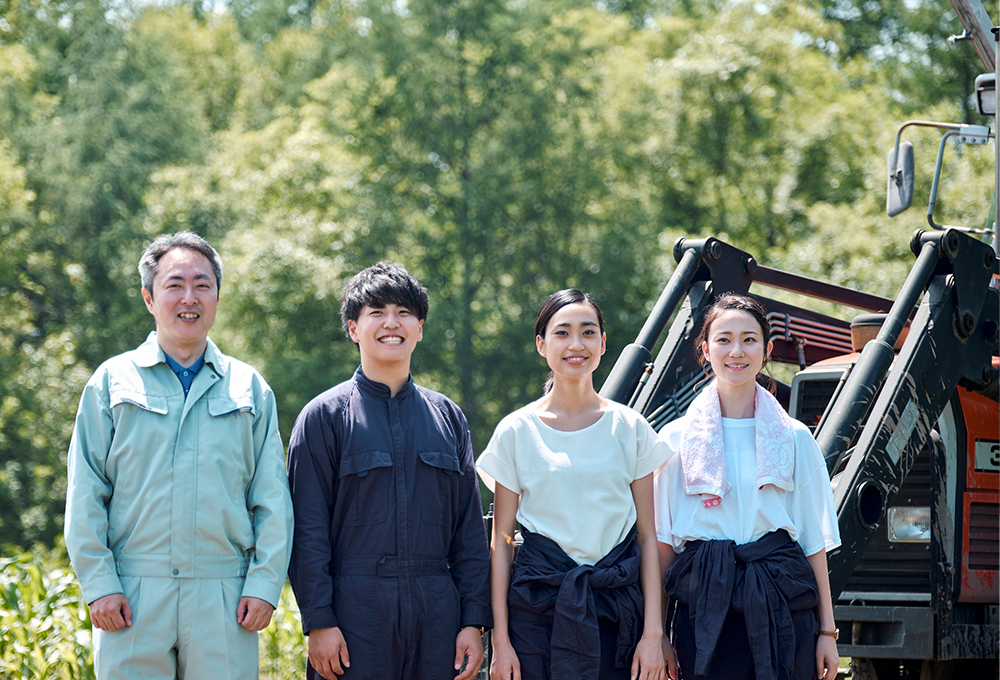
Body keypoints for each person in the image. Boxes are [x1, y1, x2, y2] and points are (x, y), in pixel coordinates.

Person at [64, 231, 294, 680]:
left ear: (217, 297)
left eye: (202, 285)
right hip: (132, 592)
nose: (189, 297)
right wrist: (99, 585)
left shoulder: (249, 389)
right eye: (174, 284)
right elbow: (86, 490)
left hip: (225, 595)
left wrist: (265, 585)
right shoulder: (111, 382)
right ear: (149, 298)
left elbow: (271, 497)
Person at [286, 261, 491, 680]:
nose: (390, 323)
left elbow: (469, 531)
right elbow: (307, 529)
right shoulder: (324, 417)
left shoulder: (447, 417)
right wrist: (319, 621)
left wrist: (473, 620)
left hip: (438, 617)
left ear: (420, 328)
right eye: (376, 312)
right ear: (353, 328)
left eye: (403, 312)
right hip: (355, 615)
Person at [477, 288, 669, 680]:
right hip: (535, 614)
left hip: (616, 614)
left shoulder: (630, 428)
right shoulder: (516, 430)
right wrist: (500, 642)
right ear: (541, 344)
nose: (576, 344)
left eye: (587, 332)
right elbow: (502, 541)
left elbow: (649, 538)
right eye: (562, 333)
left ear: (602, 343)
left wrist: (653, 634)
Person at [653, 293, 841, 680]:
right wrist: (656, 633)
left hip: (782, 605)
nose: (736, 351)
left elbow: (813, 541)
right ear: (704, 350)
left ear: (767, 349)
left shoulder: (795, 438)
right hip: (702, 608)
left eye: (749, 339)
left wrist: (827, 632)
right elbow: (662, 546)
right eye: (723, 339)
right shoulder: (675, 440)